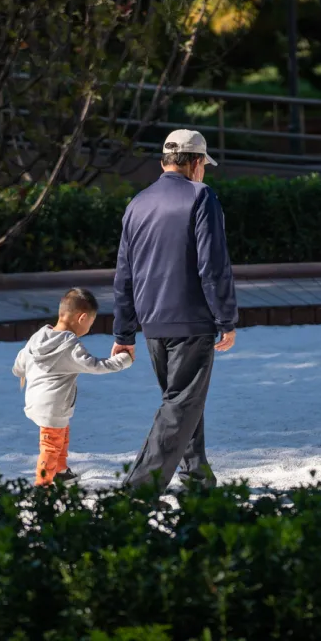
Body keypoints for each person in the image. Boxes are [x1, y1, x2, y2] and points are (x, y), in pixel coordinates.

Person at [112, 128, 238, 492]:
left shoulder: (137, 203)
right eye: (204, 165)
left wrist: (124, 332)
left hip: (152, 322)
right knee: (181, 405)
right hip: (191, 319)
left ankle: (197, 476)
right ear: (196, 162)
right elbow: (213, 266)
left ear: (165, 161)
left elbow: (124, 274)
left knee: (181, 402)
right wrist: (226, 318)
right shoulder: (202, 197)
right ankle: (140, 487)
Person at [13, 287, 133, 486]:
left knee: (61, 436)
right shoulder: (70, 345)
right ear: (82, 318)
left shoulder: (38, 337)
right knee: (50, 445)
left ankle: (60, 471)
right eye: (91, 323)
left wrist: (20, 372)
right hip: (54, 406)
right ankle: (42, 485)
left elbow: (20, 360)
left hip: (39, 401)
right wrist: (124, 360)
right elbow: (96, 366)